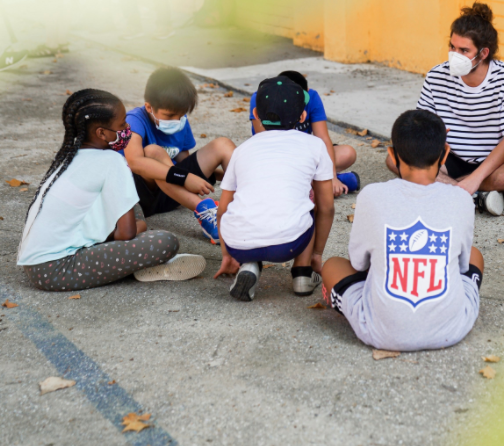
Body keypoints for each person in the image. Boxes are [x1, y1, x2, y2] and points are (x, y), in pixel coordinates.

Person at [323, 110, 483, 351]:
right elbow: (461, 265)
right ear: (445, 154)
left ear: (392, 154)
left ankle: (343, 303)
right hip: (452, 330)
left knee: (332, 265)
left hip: (380, 333)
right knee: (475, 255)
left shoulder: (372, 195)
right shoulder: (461, 199)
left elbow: (358, 264)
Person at [18, 90, 205, 291]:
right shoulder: (111, 160)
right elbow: (126, 234)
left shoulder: (69, 156)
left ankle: (132, 265)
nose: (127, 128)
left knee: (131, 203)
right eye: (122, 124)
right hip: (57, 269)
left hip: (37, 263)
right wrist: (139, 227)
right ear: (101, 133)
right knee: (165, 241)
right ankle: (144, 264)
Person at [394, 2, 504, 216]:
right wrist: (431, 141)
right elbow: (421, 128)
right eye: (452, 47)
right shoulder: (436, 75)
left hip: (496, 162)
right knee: (396, 157)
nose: (454, 55)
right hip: (452, 157)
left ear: (483, 53)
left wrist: (475, 178)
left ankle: (443, 189)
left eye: (464, 50)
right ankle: (474, 197)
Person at [214, 75, 334, 301]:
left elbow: (222, 209)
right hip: (288, 245)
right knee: (310, 200)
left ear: (256, 115)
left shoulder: (243, 149)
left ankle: (248, 266)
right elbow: (326, 208)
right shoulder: (315, 145)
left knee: (252, 205)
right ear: (303, 116)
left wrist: (227, 254)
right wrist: (317, 254)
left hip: (237, 244)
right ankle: (302, 274)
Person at [121, 67, 235, 243]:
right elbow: (135, 162)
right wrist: (184, 177)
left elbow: (183, 162)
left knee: (223, 145)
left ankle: (245, 207)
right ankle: (204, 212)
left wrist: (216, 174)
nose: (176, 120)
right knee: (153, 152)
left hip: (172, 192)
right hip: (141, 198)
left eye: (181, 115)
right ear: (149, 107)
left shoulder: (179, 121)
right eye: (169, 115)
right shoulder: (134, 120)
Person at [248, 70, 359, 196]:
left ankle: (317, 182)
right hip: (273, 156)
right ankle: (321, 182)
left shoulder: (312, 96)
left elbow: (323, 137)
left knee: (347, 153)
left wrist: (332, 176)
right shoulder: (260, 98)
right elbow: (265, 140)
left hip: (303, 154)